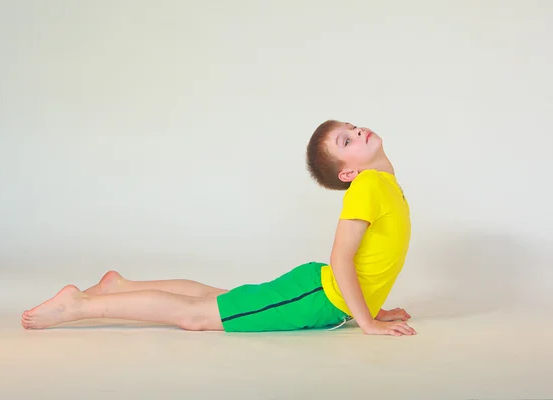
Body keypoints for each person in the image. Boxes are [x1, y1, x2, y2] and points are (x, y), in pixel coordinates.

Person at [22, 120, 416, 337]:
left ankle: (120, 287)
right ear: (349, 172)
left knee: (222, 299)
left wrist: (374, 308)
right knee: (197, 316)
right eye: (348, 139)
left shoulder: (382, 185)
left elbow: (372, 259)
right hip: (318, 297)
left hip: (318, 290)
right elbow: (342, 258)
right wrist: (366, 322)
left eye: (352, 128)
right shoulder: (367, 186)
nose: (359, 130)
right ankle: (80, 305)